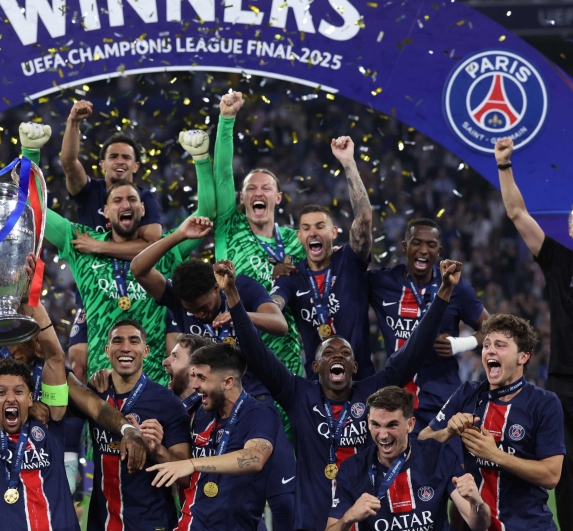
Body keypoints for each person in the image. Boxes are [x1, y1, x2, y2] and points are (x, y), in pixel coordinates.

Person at [229, 258, 461, 531]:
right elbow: (258, 355)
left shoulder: (372, 391)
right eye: (328, 353)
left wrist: (444, 292)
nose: (336, 356)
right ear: (315, 367)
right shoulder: (298, 394)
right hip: (313, 523)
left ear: (354, 367)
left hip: (368, 521)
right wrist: (233, 297)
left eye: (344, 354)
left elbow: (416, 349)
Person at [20, 125, 214, 384]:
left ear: (142, 209)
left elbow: (208, 211)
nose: (125, 204)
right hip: (102, 388)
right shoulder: (80, 241)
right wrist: (30, 152)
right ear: (107, 214)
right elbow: (33, 205)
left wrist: (201, 160)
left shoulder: (167, 250)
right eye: (117, 200)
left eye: (132, 200)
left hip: (153, 387)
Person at [0, 259, 80, 530]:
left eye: (19, 391)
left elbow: (55, 357)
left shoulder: (50, 421)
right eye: (1, 392)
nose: (11, 398)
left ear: (32, 398)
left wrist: (34, 298)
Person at [420, 314, 565, 531]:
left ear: (523, 357)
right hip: (477, 524)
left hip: (529, 526)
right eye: (486, 345)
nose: (490, 351)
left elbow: (551, 475)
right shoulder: (466, 393)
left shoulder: (544, 403)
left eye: (500, 345)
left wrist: (495, 454)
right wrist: (448, 430)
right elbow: (423, 441)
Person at [51, 104, 163, 382]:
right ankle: (86, 422)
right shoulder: (90, 191)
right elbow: (68, 162)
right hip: (96, 292)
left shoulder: (145, 199)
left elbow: (150, 246)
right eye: (113, 156)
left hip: (136, 292)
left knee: (140, 359)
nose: (119, 161)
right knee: (78, 366)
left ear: (136, 166)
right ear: (102, 164)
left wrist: (98, 246)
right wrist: (73, 121)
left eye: (127, 156)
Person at [496, 135, 573, 530]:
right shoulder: (560, 260)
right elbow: (516, 213)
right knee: (566, 475)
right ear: (571, 226)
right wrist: (505, 166)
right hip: (566, 382)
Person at [131, 215, 287, 400]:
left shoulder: (242, 287)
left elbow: (280, 325)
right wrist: (179, 235)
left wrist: (238, 315)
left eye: (203, 307)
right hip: (202, 402)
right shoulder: (177, 296)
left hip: (250, 397)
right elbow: (138, 268)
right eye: (192, 310)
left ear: (216, 288)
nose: (199, 314)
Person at [210, 91, 304, 378]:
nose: (258, 193)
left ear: (278, 198)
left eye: (265, 188)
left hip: (285, 359)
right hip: (235, 361)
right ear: (242, 197)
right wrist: (226, 120)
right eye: (251, 188)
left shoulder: (295, 241)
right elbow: (223, 175)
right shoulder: (229, 226)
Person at [146, 342, 283, 531]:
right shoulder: (199, 413)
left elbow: (255, 458)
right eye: (193, 376)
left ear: (228, 382)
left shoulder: (259, 413)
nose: (194, 385)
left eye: (201, 378)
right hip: (192, 524)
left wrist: (193, 464)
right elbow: (185, 475)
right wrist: (157, 449)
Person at [270, 135, 375, 380]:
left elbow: (364, 218)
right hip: (317, 387)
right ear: (299, 236)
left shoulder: (349, 261)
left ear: (334, 232)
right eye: (306, 228)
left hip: (361, 382)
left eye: (320, 226)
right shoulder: (292, 275)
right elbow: (275, 304)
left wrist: (348, 163)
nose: (313, 232)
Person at [368, 218, 490, 430]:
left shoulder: (455, 285)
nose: (423, 250)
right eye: (416, 243)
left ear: (439, 250)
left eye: (431, 245)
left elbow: (492, 328)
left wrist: (460, 344)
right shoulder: (381, 282)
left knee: (447, 462)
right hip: (396, 400)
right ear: (405, 246)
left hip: (441, 398)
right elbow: (346, 280)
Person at [326, 386, 490, 531]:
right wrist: (348, 517)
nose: (383, 435)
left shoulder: (439, 456)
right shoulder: (352, 470)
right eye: (376, 425)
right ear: (368, 422)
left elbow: (479, 525)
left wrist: (477, 503)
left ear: (410, 424)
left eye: (392, 425)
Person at [82, 319, 190, 531]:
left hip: (151, 523)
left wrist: (156, 450)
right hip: (101, 523)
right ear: (107, 350)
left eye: (134, 341)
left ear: (146, 350)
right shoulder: (95, 393)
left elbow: (186, 477)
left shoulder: (167, 402)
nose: (125, 348)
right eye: (117, 341)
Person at [163, 334, 214, 413]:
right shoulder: (166, 410)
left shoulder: (211, 414)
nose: (165, 362)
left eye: (175, 356)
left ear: (196, 367)